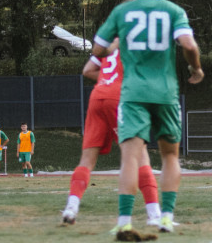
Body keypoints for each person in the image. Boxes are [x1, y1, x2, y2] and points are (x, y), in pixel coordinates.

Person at [92, 0, 204, 235]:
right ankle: (165, 217)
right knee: (169, 157)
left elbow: (97, 50)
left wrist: (122, 44)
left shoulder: (123, 11)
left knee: (130, 157)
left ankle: (124, 222)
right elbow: (188, 44)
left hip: (132, 94)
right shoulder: (173, 10)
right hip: (165, 92)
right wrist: (196, 68)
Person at [61, 40, 161, 226]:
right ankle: (154, 214)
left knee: (87, 160)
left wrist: (109, 81)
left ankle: (71, 207)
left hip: (98, 95)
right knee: (139, 157)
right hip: (120, 98)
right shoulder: (139, 42)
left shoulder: (112, 44)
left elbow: (87, 70)